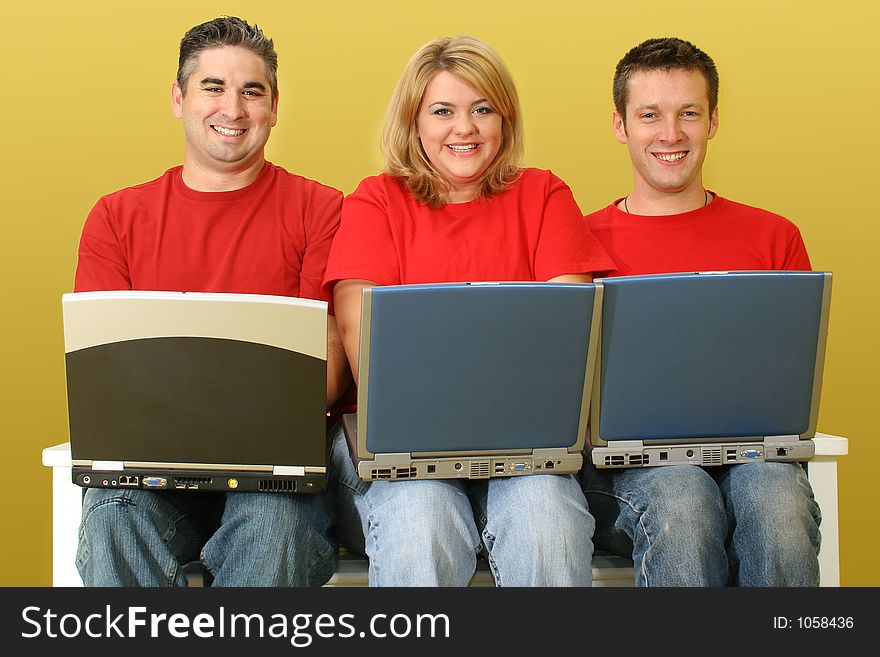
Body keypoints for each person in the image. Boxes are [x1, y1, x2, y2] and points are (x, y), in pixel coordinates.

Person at [323, 36, 615, 586]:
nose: (466, 128)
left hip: (528, 446)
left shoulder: (544, 194)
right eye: (443, 111)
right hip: (405, 450)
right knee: (420, 524)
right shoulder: (376, 201)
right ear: (414, 122)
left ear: (505, 120)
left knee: (546, 520)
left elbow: (569, 338)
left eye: (483, 109)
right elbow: (364, 341)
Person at [73, 16, 349, 586]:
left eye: (252, 91)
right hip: (152, 471)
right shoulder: (117, 218)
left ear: (274, 106)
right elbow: (104, 378)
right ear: (179, 99)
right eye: (213, 87)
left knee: (273, 525)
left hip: (278, 473)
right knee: (111, 521)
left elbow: (325, 372)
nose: (234, 108)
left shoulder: (320, 209)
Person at [581, 37, 821, 586]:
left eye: (689, 113)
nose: (671, 134)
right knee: (683, 498)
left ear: (712, 121)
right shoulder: (580, 242)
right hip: (629, 467)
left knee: (776, 502)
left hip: (756, 454)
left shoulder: (773, 237)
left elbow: (792, 377)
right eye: (650, 116)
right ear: (620, 125)